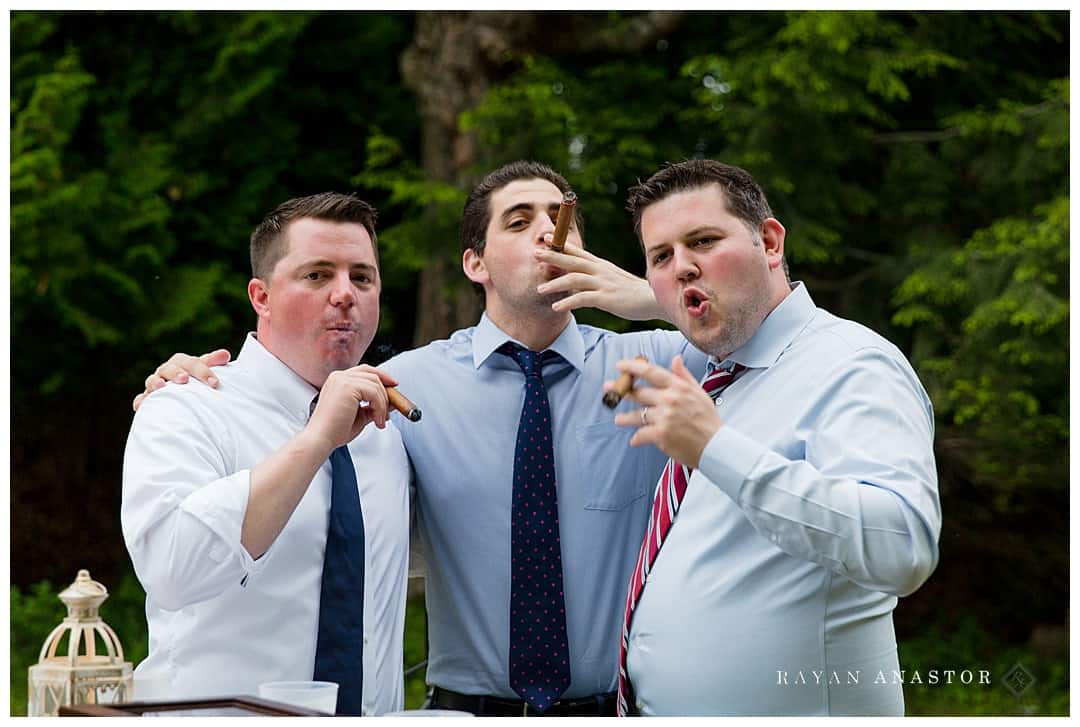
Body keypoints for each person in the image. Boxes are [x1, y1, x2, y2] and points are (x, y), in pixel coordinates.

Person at [134, 161, 708, 716]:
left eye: (362, 277)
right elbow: (182, 559)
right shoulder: (396, 393)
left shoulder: (657, 364)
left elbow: (772, 336)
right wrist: (180, 386)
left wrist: (645, 296)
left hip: (614, 709)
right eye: (517, 220)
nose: (545, 231)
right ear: (474, 263)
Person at [609, 159, 941, 715]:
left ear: (769, 242)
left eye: (704, 240)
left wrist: (716, 448)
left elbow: (902, 546)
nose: (683, 267)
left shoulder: (853, 363)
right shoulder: (714, 373)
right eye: (661, 257)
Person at [121, 193, 411, 716]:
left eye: (362, 278)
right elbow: (172, 571)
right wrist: (316, 439)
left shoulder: (388, 426)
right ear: (261, 296)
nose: (344, 294)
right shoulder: (186, 407)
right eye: (318, 275)